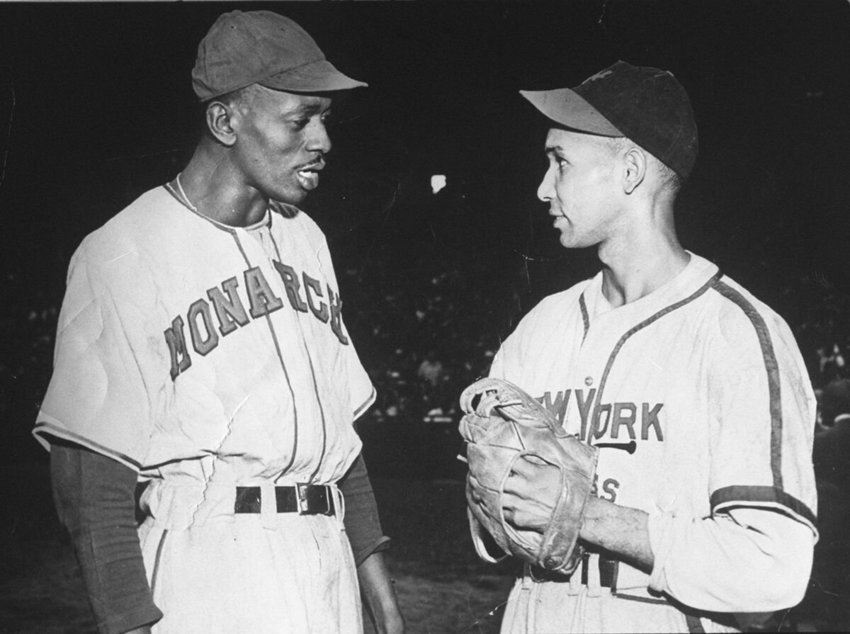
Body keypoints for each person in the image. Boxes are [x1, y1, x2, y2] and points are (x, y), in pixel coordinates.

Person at [34, 10, 404, 634]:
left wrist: (385, 608)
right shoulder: (124, 250)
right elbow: (87, 480)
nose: (322, 141)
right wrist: (130, 625)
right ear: (224, 119)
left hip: (326, 559)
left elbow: (343, 447)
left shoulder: (307, 239)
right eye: (299, 120)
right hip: (211, 565)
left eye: (324, 119)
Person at [476, 61, 818, 632]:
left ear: (631, 171)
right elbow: (492, 533)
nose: (542, 188)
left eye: (560, 162)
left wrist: (584, 515)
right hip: (536, 609)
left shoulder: (735, 332)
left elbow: (772, 568)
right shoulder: (540, 328)